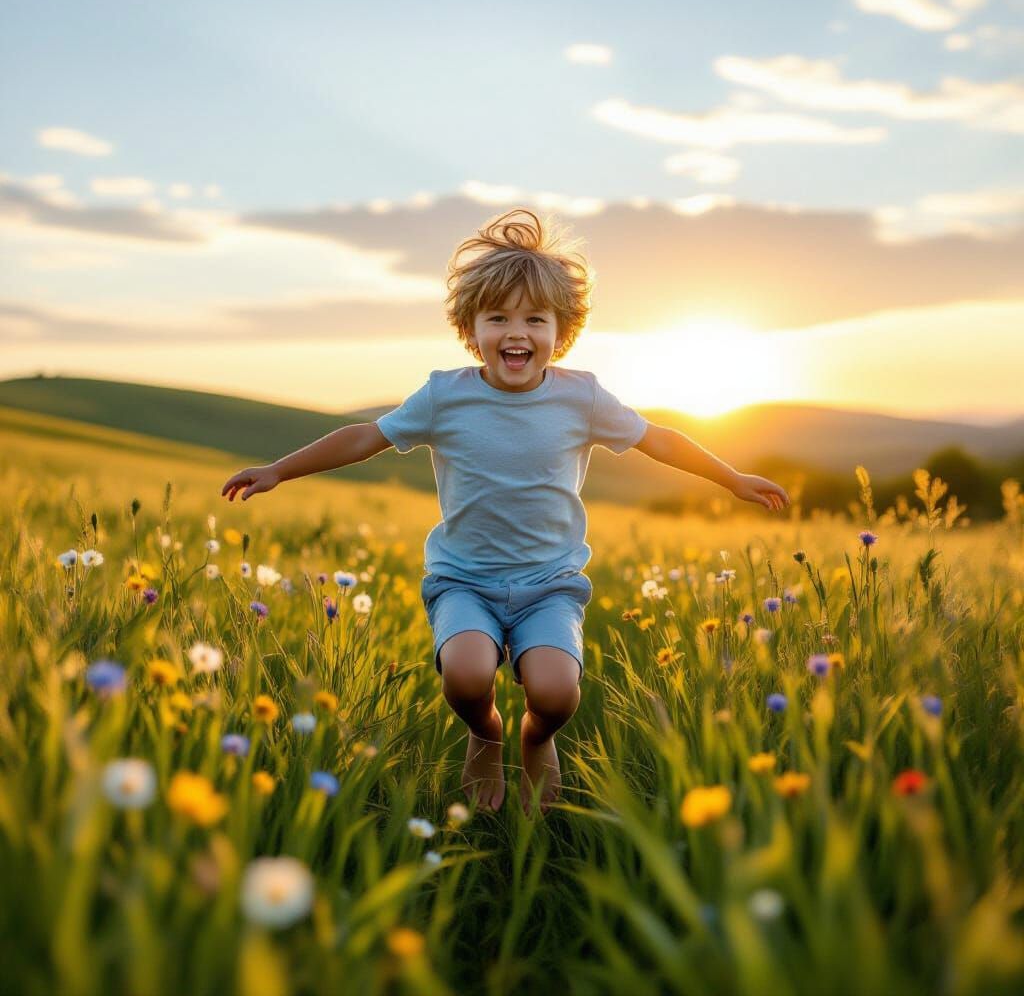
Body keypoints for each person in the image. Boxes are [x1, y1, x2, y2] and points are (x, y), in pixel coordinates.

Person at [221, 208, 789, 816]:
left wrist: (731, 478)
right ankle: (485, 732)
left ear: (560, 331)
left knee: (555, 692)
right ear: (471, 330)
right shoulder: (446, 396)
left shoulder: (582, 397)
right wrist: (279, 469)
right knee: (466, 678)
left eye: (534, 319)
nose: (516, 332)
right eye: (498, 318)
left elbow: (659, 439)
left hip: (550, 584)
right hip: (465, 579)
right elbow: (365, 436)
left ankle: (536, 740)